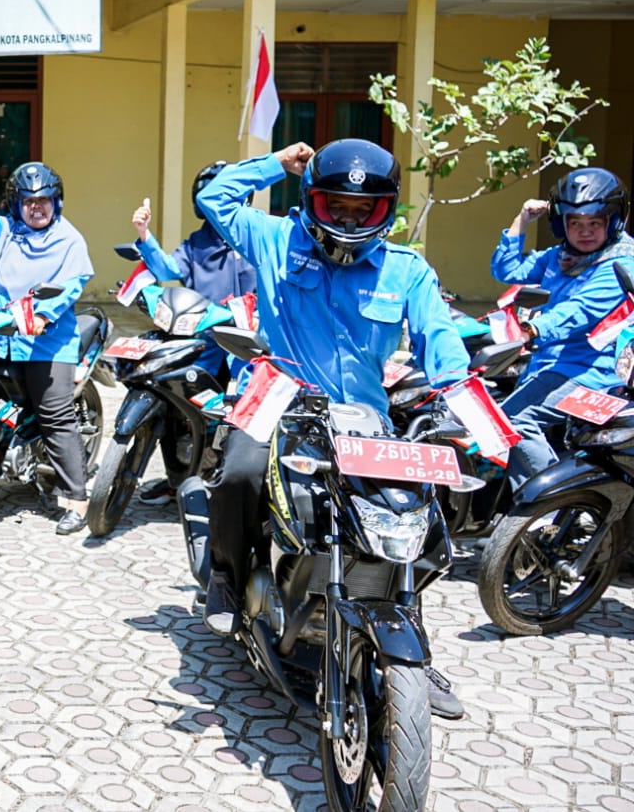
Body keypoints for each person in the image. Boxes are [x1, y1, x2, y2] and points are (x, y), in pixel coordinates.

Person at [198, 139, 471, 720]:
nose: (347, 218)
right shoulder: (275, 239)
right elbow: (213, 198)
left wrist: (456, 402)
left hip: (366, 420)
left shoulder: (407, 270)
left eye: (362, 209)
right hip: (280, 399)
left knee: (413, 513)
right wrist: (277, 164)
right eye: (336, 205)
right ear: (312, 201)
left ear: (384, 212)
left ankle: (409, 649)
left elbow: (441, 341)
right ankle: (223, 576)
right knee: (239, 471)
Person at [0, 160, 95, 535]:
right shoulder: (7, 232)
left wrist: (42, 314)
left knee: (55, 415)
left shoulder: (69, 239)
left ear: (57, 201)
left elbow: (72, 286)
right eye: (28, 201)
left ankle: (76, 499)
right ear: (16, 204)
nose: (37, 207)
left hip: (46, 343)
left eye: (45, 200)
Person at [492, 168, 634, 489]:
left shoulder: (622, 261)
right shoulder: (560, 256)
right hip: (548, 369)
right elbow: (507, 268)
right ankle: (524, 518)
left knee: (513, 421)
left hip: (589, 373)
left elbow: (580, 311)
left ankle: (549, 509)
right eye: (575, 224)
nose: (584, 232)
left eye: (594, 223)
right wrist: (523, 219)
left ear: (612, 222)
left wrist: (531, 330)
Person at [129, 161, 259, 502]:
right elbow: (168, 269)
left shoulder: (256, 238)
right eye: (210, 198)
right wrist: (145, 236)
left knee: (242, 414)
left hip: (249, 352)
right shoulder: (196, 244)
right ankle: (178, 478)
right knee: (175, 406)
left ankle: (232, 482)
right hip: (203, 344)